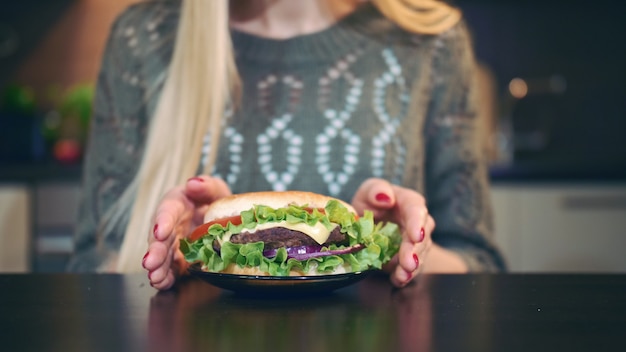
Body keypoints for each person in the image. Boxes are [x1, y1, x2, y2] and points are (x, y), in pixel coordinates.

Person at [67, 0, 507, 290]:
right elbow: (91, 263)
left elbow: (480, 264)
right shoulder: (143, 37)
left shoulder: (431, 41)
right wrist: (182, 254)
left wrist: (399, 250)